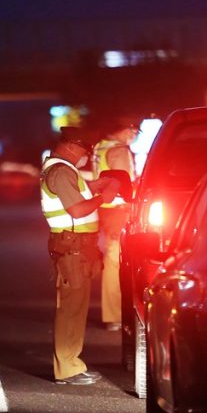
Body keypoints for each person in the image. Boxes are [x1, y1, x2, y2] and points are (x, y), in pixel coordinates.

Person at [41, 126, 119, 385]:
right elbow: (76, 209)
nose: (85, 156)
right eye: (84, 151)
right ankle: (67, 367)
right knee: (70, 309)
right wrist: (102, 197)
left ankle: (72, 363)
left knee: (76, 307)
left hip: (78, 248)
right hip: (71, 248)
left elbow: (79, 189)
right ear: (72, 146)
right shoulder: (61, 170)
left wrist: (98, 185)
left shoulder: (64, 169)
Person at [92, 119, 138, 331]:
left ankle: (115, 314)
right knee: (116, 261)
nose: (134, 135)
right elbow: (125, 183)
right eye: (133, 130)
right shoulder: (119, 151)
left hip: (106, 210)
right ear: (125, 129)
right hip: (118, 211)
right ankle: (116, 315)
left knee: (112, 260)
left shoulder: (101, 146)